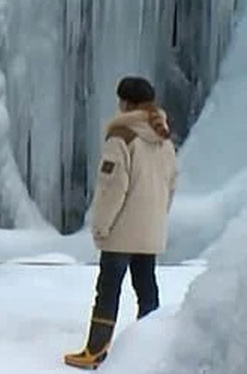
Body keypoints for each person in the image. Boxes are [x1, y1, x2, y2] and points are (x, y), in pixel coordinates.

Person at [64, 76, 178, 370]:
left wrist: (101, 225)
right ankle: (151, 351)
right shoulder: (163, 138)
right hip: (151, 229)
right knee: (147, 288)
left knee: (108, 289)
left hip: (122, 229)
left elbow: (113, 188)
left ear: (125, 103)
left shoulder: (121, 136)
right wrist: (156, 218)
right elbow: (171, 185)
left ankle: (95, 351)